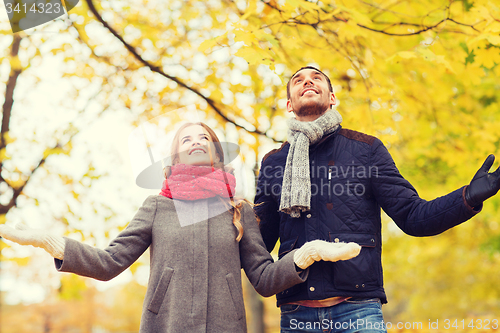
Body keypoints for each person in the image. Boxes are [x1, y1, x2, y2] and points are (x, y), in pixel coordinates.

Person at [0, 121, 363, 333]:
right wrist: (51, 242)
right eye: (186, 139)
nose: (195, 142)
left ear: (215, 153)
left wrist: (306, 254)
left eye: (203, 138)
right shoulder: (157, 206)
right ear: (176, 156)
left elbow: (264, 278)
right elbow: (110, 263)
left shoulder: (238, 209)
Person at [254, 66, 500, 333]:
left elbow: (412, 216)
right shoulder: (273, 163)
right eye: (298, 80)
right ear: (290, 104)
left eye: (316, 78)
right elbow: (258, 245)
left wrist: (467, 198)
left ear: (333, 97)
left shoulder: (366, 150)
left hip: (358, 311)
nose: (307, 82)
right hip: (296, 314)